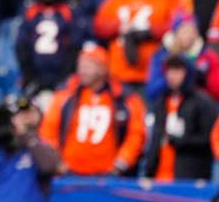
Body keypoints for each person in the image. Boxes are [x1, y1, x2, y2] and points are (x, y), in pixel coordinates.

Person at [41, 44, 147, 176]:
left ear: (103, 69)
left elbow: (136, 134)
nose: (82, 69)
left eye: (88, 64)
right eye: (80, 64)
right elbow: (48, 130)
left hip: (109, 175)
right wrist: (57, 163)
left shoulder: (124, 98)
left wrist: (121, 163)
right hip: (70, 172)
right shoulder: (65, 94)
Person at [93, 0, 178, 88]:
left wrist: (148, 31)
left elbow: (177, 26)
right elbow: (99, 25)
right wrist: (118, 27)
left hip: (151, 72)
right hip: (118, 72)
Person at [144, 55, 217, 181]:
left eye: (177, 71)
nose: (171, 75)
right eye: (169, 71)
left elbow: (208, 139)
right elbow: (156, 138)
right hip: (159, 175)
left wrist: (179, 141)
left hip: (188, 175)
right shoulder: (161, 102)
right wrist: (149, 169)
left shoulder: (202, 103)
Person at [15, 0, 81, 95]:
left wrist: (67, 73)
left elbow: (75, 44)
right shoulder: (31, 9)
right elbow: (22, 44)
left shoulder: (68, 9)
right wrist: (29, 73)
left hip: (62, 73)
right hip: (35, 73)